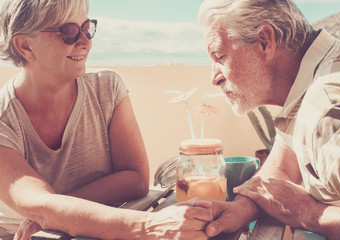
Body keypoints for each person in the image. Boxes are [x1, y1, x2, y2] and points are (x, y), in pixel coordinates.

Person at [0, 0, 212, 239]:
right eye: (68, 32)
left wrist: (55, 214)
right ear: (25, 45)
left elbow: (135, 179)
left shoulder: (107, 89)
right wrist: (150, 226)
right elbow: (36, 203)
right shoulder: (3, 120)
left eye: (88, 27)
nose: (86, 42)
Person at [194, 0, 340, 239]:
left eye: (220, 56)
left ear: (265, 41)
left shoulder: (327, 114)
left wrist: (307, 211)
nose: (214, 77)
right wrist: (240, 209)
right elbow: (282, 165)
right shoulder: (315, 76)